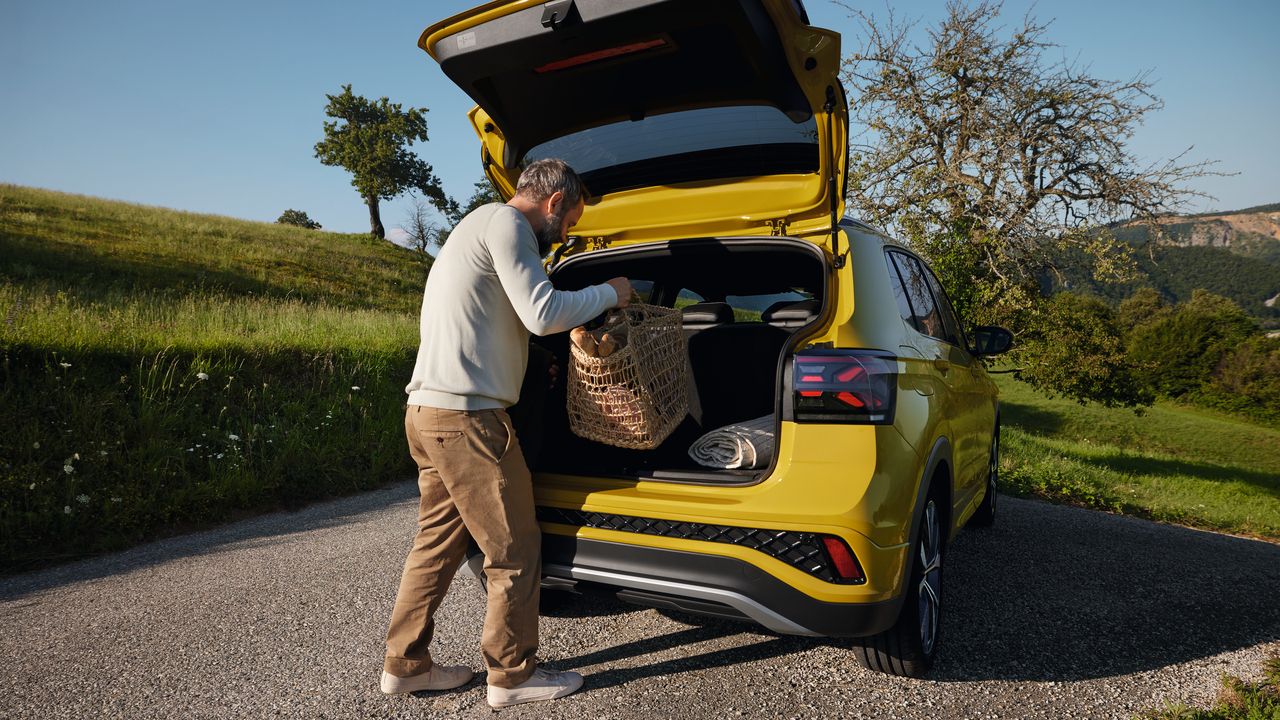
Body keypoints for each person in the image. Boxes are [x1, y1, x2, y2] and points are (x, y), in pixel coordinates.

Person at [380, 159, 630, 708]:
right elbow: (543, 313)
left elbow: (501, 319)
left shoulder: (474, 227)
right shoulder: (509, 225)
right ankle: (512, 676)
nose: (565, 234)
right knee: (514, 548)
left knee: (437, 545)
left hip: (426, 411)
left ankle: (405, 665)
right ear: (554, 203)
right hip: (467, 420)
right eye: (569, 222)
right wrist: (610, 292)